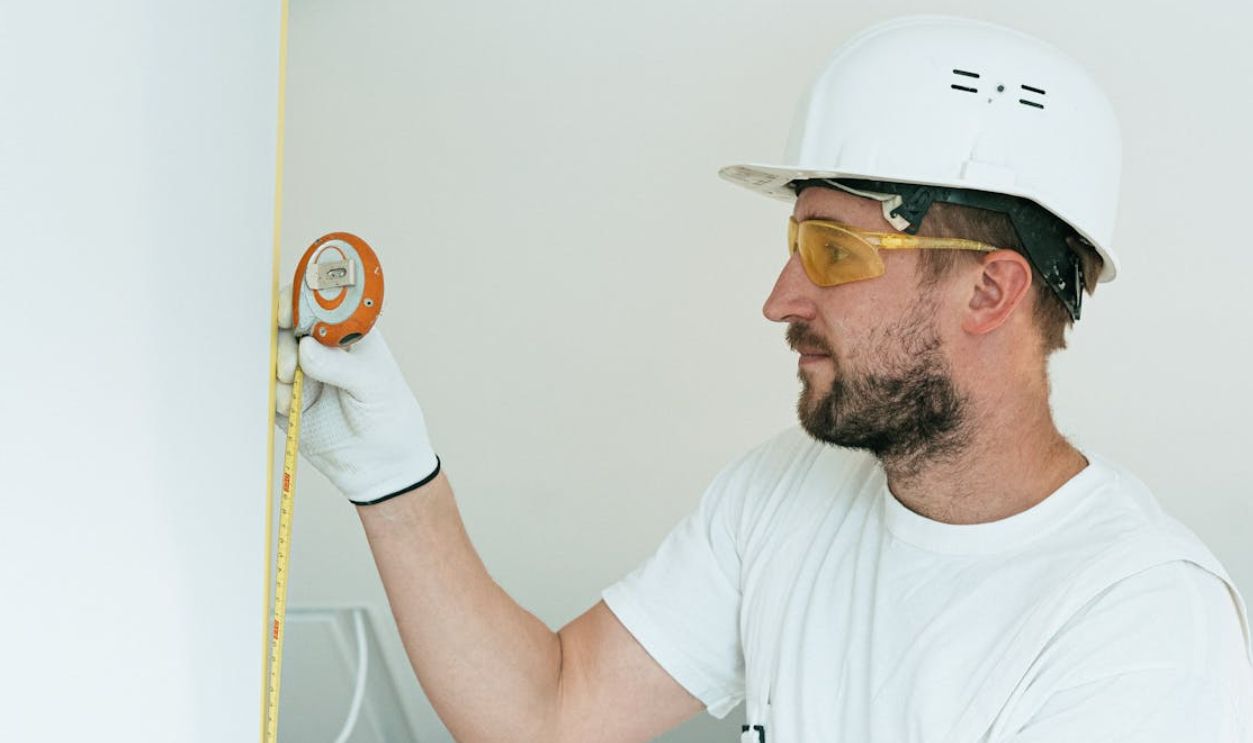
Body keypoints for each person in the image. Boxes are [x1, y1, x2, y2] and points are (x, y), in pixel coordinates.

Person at [275, 15, 1253, 742]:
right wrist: (392, 480)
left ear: (987, 288)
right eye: (794, 243)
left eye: (831, 250)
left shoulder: (1135, 619)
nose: (780, 297)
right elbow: (552, 709)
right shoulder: (786, 492)